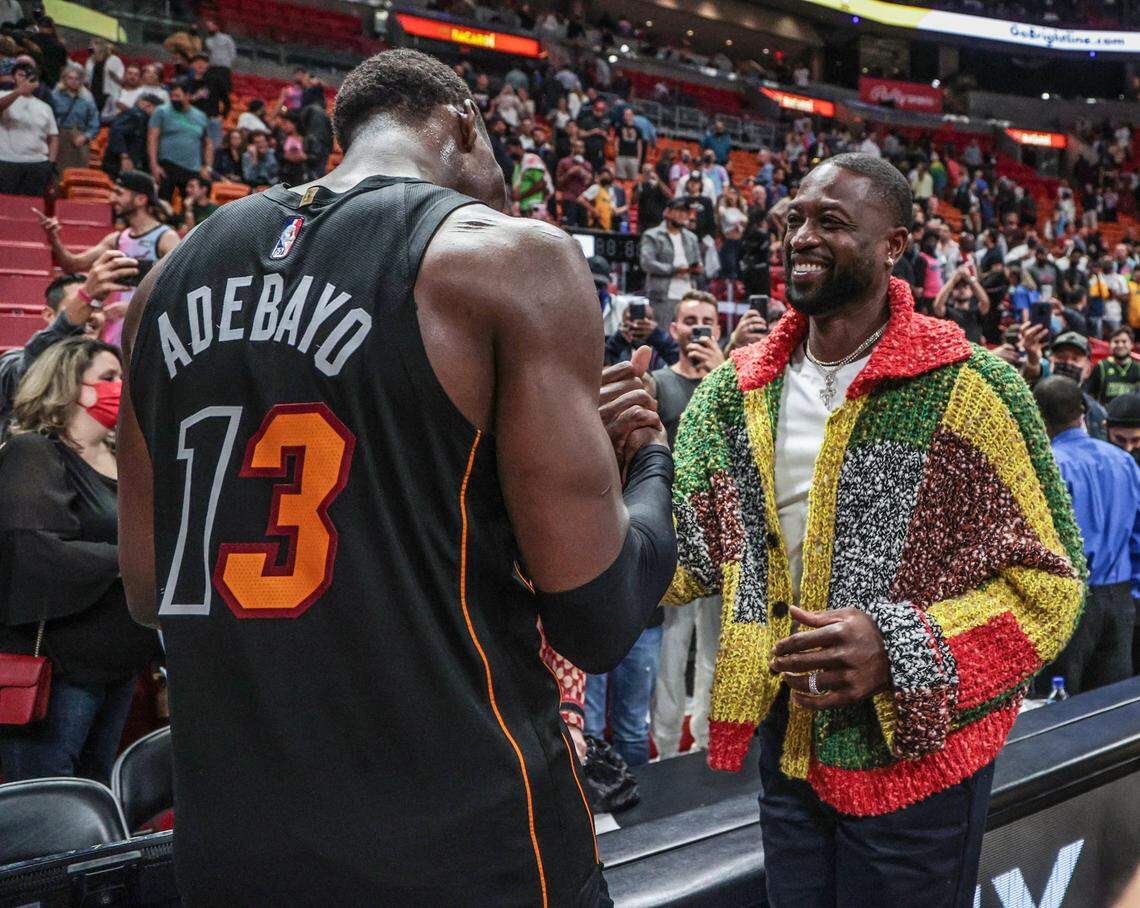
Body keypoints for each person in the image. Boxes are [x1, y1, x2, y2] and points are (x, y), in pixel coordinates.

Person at [117, 49, 676, 905]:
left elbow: (148, 589)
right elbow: (597, 618)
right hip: (462, 849)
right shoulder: (504, 258)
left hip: (234, 850)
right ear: (462, 122)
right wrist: (645, 465)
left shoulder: (162, 286)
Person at [665, 154, 1083, 907]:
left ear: (894, 245)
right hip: (789, 756)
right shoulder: (735, 392)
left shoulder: (969, 389)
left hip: (917, 765)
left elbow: (1051, 586)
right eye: (795, 218)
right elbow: (688, 557)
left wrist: (900, 648)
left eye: (830, 221)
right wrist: (612, 470)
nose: (801, 236)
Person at [0, 337, 160, 784]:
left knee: (95, 790)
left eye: (123, 377)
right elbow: (37, 551)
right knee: (51, 798)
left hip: (120, 663)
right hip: (63, 666)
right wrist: (132, 561)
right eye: (107, 377)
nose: (120, 387)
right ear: (68, 384)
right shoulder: (34, 452)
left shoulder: (124, 459)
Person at [649, 292, 724, 759]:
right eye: (690, 320)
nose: (698, 328)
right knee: (672, 649)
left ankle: (706, 742)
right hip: (674, 535)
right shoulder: (658, 383)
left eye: (706, 321)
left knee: (715, 646)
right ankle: (664, 747)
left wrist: (721, 377)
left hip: (721, 537)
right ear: (674, 328)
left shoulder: (731, 380)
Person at [1033, 377, 1140, 696]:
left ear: (1038, 416)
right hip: (1120, 603)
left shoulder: (1049, 467)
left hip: (1070, 604)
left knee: (1058, 710)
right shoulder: (1123, 461)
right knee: (1112, 710)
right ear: (1083, 411)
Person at [0, 252, 135, 438]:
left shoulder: (116, 370)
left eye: (97, 306)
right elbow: (32, 369)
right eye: (78, 304)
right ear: (50, 315)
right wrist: (85, 298)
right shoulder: (12, 363)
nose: (90, 313)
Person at [38, 171, 178, 347]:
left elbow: (179, 287)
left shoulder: (166, 238)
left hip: (148, 330)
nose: (112, 199)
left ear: (141, 199)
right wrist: (54, 239)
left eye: (119, 193)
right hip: (116, 331)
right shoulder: (116, 239)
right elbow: (72, 265)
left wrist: (131, 309)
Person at [639, 197, 702, 327]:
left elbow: (699, 262)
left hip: (688, 295)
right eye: (678, 211)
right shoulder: (652, 235)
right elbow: (647, 263)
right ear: (667, 212)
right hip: (662, 296)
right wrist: (675, 269)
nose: (682, 215)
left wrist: (697, 269)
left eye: (685, 212)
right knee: (663, 334)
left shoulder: (692, 238)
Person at [148, 83, 212, 202]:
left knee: (190, 205)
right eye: (172, 96)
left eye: (177, 96)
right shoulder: (161, 111)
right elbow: (152, 139)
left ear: (188, 96)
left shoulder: (201, 116)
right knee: (162, 204)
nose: (174, 99)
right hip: (167, 165)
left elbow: (208, 143)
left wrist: (207, 167)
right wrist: (154, 164)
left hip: (192, 168)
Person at [0, 61, 57, 195]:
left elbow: (53, 137)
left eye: (29, 76)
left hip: (37, 163)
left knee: (33, 203)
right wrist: (18, 92)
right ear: (13, 78)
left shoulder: (45, 107)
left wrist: (51, 162)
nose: (25, 80)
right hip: (7, 161)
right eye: (21, 75)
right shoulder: (3, 94)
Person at [1047, 331, 1108, 440]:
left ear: (1088, 370)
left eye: (1075, 359)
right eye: (1061, 357)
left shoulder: (1096, 413)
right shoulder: (1034, 401)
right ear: (1050, 363)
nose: (1068, 363)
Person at [51, 64, 100, 172]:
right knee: (60, 171)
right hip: (60, 136)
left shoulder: (87, 97)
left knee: (79, 171)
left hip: (80, 136)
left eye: (77, 79)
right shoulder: (55, 95)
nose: (73, 81)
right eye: (70, 78)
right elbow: (50, 118)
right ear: (64, 79)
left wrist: (86, 136)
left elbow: (94, 121)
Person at [103, 91, 163, 179]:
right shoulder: (135, 115)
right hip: (119, 163)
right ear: (148, 105)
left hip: (130, 163)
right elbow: (116, 132)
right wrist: (124, 157)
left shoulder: (145, 119)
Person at [604, 301, 678, 370]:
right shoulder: (616, 346)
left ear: (654, 323)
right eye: (632, 320)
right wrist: (619, 339)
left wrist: (657, 335)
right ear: (623, 322)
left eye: (648, 319)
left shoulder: (661, 352)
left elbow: (678, 362)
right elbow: (602, 364)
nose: (638, 324)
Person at [932, 262, 991, 343]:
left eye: (965, 287)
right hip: (954, 349)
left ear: (971, 292)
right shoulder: (947, 312)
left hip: (974, 350)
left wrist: (969, 278)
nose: (961, 290)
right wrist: (953, 279)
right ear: (952, 292)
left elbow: (985, 302)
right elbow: (937, 305)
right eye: (958, 287)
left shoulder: (976, 312)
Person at [1087, 326, 1140, 405]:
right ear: (1110, 345)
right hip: (1106, 412)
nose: (1120, 345)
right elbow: (1089, 395)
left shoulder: (1138, 368)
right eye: (1116, 342)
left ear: (1131, 344)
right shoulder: (1101, 367)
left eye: (1124, 341)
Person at [555, 138, 593, 228]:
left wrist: (585, 175)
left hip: (583, 201)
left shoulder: (587, 165)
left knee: (584, 229)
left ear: (584, 150)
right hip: (568, 200)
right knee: (568, 228)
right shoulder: (564, 162)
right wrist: (570, 172)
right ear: (572, 148)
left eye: (581, 147)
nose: (579, 149)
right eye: (577, 147)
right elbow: (558, 183)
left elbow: (589, 184)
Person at [83, 39, 123, 118]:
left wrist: (113, 75)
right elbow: (87, 80)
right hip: (93, 93)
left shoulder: (114, 60)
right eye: (90, 46)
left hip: (108, 94)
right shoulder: (89, 61)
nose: (90, 48)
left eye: (93, 46)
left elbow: (120, 80)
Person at [579, 165, 627, 231]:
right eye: (605, 175)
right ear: (599, 176)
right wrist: (593, 211)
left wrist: (626, 207)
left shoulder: (610, 191)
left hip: (607, 224)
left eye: (609, 175)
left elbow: (613, 211)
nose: (607, 177)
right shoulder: (596, 188)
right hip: (596, 223)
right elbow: (581, 199)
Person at [717, 184, 748, 280]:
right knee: (731, 270)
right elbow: (730, 219)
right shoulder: (723, 209)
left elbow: (746, 220)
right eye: (730, 193)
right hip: (729, 242)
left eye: (734, 193)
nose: (732, 196)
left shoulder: (742, 208)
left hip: (741, 242)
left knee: (741, 270)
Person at [633, 163, 669, 232]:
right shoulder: (639, 185)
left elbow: (668, 194)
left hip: (657, 220)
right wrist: (641, 183)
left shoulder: (660, 184)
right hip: (643, 221)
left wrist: (658, 180)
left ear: (654, 172)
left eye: (649, 171)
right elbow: (634, 201)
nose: (647, 173)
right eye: (645, 171)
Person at [613, 106, 642, 181]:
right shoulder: (619, 127)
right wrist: (616, 153)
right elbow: (616, 140)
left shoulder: (638, 129)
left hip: (633, 157)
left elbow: (639, 144)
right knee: (620, 178)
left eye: (629, 114)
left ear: (632, 116)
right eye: (625, 114)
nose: (627, 116)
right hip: (621, 155)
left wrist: (639, 157)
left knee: (633, 179)